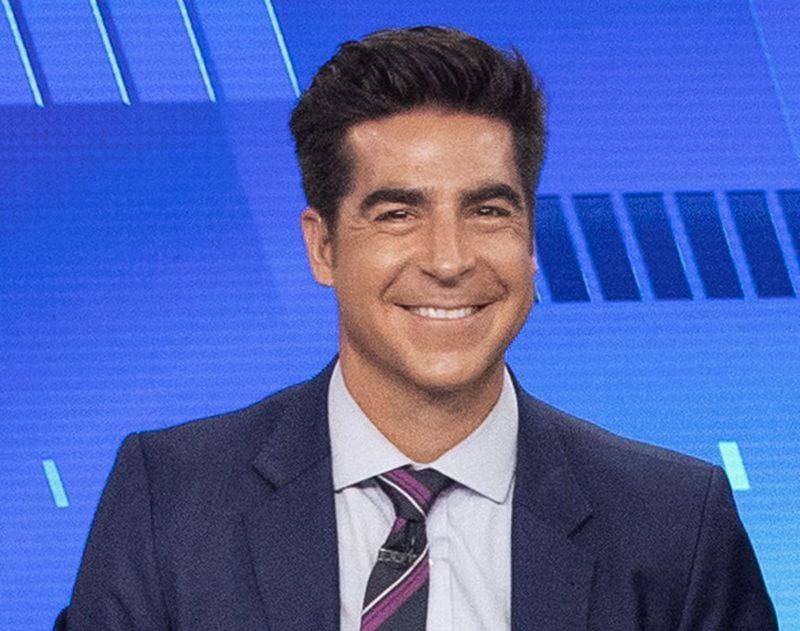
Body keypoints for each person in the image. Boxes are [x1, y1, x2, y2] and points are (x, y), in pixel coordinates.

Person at [56, 26, 777, 630]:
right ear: (323, 247)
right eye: (398, 214)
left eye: (488, 211)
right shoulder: (171, 498)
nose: (449, 260)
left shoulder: (676, 522)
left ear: (530, 241)